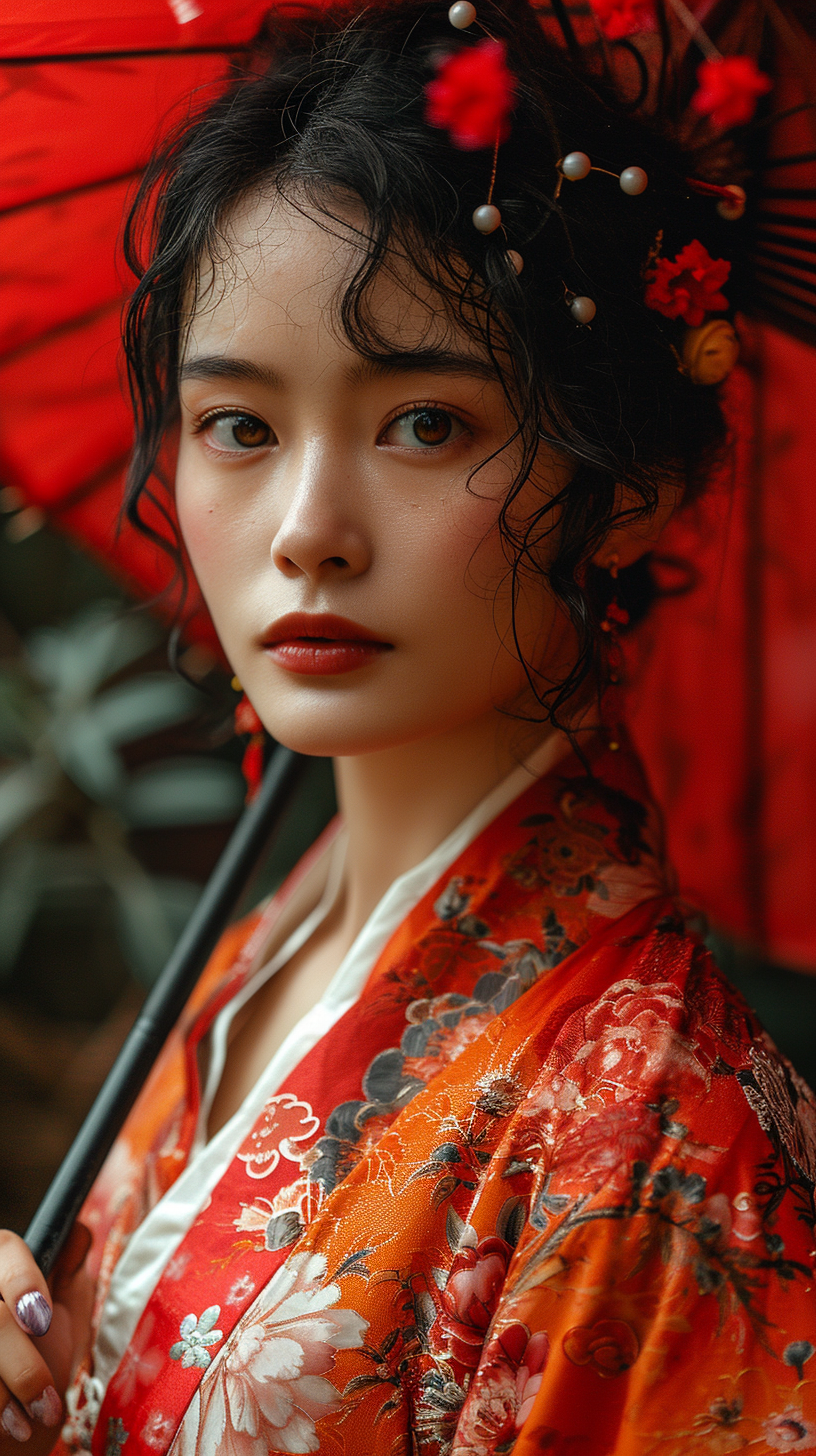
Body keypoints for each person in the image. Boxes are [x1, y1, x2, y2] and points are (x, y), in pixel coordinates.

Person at [1, 1, 814, 1451]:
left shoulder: (658, 1136)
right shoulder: (270, 949)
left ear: (631, 482)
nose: (307, 534)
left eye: (425, 423)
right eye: (240, 426)